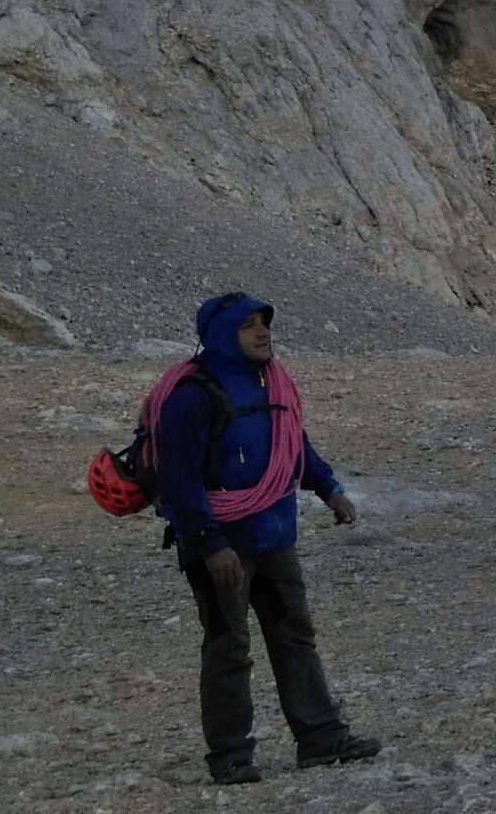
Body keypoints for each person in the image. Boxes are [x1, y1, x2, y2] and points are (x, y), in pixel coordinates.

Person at [154, 291, 382, 784]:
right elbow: (178, 478)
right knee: (228, 647)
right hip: (222, 552)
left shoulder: (269, 383)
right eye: (249, 326)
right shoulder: (193, 397)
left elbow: (292, 441)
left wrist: (328, 488)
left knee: (293, 637)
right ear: (221, 336)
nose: (263, 333)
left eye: (264, 323)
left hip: (273, 542)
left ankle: (320, 739)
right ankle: (231, 756)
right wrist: (211, 544)